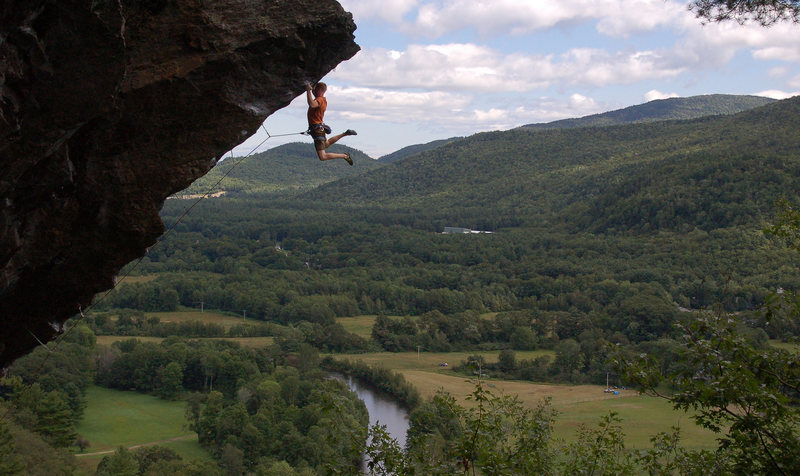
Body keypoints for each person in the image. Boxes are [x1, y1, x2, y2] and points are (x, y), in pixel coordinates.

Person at [305, 81, 357, 165]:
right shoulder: (323, 100)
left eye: (314, 90)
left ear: (319, 90)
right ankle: (345, 134)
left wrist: (308, 90)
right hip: (319, 129)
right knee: (326, 144)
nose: (312, 91)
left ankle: (344, 156)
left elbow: (312, 104)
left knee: (323, 156)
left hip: (317, 129)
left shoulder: (320, 100)